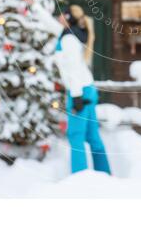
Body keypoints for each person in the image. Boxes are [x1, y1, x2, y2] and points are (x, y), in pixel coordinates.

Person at [54, 21, 110, 175]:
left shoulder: (68, 39)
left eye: (61, 14)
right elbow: (49, 24)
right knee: (93, 136)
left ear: (67, 17)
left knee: (76, 135)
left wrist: (77, 96)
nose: (58, 17)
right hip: (88, 87)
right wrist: (34, 7)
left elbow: (73, 68)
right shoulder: (71, 34)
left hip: (79, 90)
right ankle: (104, 174)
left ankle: (80, 177)